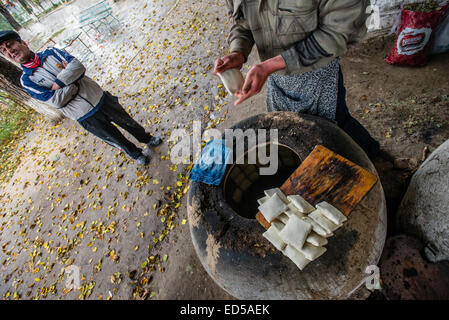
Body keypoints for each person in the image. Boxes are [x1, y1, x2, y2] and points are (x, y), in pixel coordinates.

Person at [214, 0, 381, 159]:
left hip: (318, 72)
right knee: (290, 129)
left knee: (336, 125)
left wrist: (271, 65)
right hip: (276, 75)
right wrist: (238, 51)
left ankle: (373, 155)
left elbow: (338, 32)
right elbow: (242, 21)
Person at [0, 30, 162, 166]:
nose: (9, 51)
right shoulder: (27, 80)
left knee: (129, 123)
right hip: (83, 115)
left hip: (99, 97)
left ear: (23, 43)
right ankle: (136, 154)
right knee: (115, 138)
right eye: (4, 51)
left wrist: (57, 85)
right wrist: (73, 80)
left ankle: (147, 138)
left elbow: (78, 66)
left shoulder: (51, 53)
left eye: (10, 44)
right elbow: (56, 101)